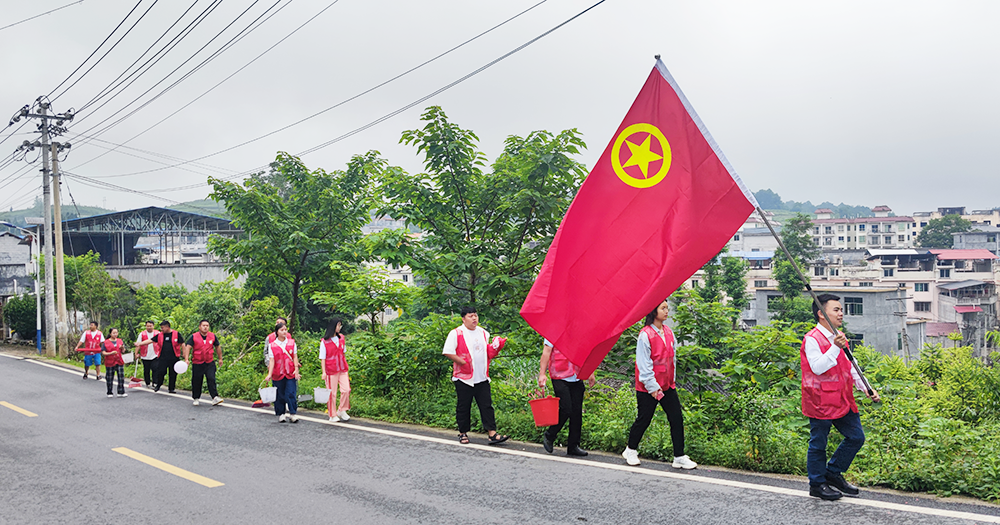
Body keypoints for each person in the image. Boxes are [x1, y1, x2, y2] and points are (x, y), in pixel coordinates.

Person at [802, 293, 881, 501]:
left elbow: (851, 364)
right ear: (821, 314)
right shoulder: (812, 339)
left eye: (841, 310)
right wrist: (835, 347)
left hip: (842, 398)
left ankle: (833, 472)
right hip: (819, 400)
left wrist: (866, 387)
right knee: (819, 443)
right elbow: (818, 368)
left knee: (856, 437)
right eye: (836, 310)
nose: (841, 313)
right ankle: (817, 484)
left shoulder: (840, 336)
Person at [621, 300, 697, 469]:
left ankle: (679, 456)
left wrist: (672, 381)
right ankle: (630, 449)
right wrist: (653, 388)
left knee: (676, 418)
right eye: (662, 308)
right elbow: (643, 364)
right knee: (644, 419)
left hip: (668, 385)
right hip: (649, 387)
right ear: (653, 311)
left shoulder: (669, 332)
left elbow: (672, 359)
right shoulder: (645, 335)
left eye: (667, 308)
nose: (666, 311)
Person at [442, 306, 509, 445]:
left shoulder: (483, 333)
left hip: (482, 376)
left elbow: (487, 352)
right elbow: (447, 351)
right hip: (464, 377)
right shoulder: (457, 333)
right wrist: (462, 362)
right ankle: (463, 433)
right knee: (464, 406)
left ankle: (492, 433)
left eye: (475, 315)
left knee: (486, 405)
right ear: (463, 318)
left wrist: (497, 346)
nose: (474, 318)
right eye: (470, 316)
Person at [537, 338, 596, 456]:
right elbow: (546, 352)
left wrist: (590, 372)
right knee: (566, 408)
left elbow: (585, 351)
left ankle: (573, 446)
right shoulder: (553, 330)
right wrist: (542, 374)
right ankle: (550, 434)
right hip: (559, 375)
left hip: (576, 375)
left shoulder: (579, 331)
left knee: (576, 412)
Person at [183, 320, 224, 407]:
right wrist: (186, 359)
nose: (205, 327)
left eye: (207, 325)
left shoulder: (212, 336)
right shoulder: (194, 336)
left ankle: (214, 397)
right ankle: (196, 398)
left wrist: (220, 358)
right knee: (197, 380)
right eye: (203, 325)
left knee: (211, 378)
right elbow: (188, 347)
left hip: (209, 362)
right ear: (199, 327)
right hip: (197, 362)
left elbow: (217, 346)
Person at [266, 322, 300, 423]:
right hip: (278, 373)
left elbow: (295, 356)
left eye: (285, 329)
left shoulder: (292, 343)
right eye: (282, 330)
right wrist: (269, 374)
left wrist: (296, 370)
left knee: (291, 393)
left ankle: (293, 413)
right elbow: (272, 360)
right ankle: (281, 413)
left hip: (290, 372)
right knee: (279, 394)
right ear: (277, 332)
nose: (284, 332)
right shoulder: (272, 345)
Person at [319, 318, 350, 422]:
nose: (339, 327)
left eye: (340, 325)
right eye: (338, 325)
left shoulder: (342, 338)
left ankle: (342, 409)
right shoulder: (325, 341)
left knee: (346, 390)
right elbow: (322, 357)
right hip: (330, 369)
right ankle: (332, 414)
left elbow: (343, 353)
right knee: (332, 393)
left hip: (342, 368)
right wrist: (323, 372)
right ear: (333, 326)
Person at [149, 321, 182, 393]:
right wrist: (140, 343)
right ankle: (158, 385)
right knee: (160, 372)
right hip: (163, 358)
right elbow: (150, 340)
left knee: (173, 373)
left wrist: (185, 356)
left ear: (167, 327)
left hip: (174, 358)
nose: (161, 329)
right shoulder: (160, 335)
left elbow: (183, 344)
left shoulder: (176, 334)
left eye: (162, 328)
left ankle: (171, 388)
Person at [100, 328, 127, 398]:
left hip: (119, 361)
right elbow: (103, 352)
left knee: (121, 377)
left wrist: (122, 348)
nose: (115, 334)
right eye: (113, 333)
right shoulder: (105, 342)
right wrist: (110, 353)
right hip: (110, 361)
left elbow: (123, 351)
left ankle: (121, 391)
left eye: (116, 333)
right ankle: (109, 392)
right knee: (109, 377)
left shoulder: (120, 341)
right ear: (110, 334)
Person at [134, 321, 160, 387]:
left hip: (155, 354)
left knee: (155, 368)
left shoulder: (158, 333)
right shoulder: (142, 334)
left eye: (150, 326)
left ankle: (155, 382)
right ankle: (147, 383)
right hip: (145, 355)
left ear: (153, 326)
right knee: (146, 370)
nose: (149, 327)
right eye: (147, 326)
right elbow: (138, 344)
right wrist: (136, 353)